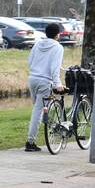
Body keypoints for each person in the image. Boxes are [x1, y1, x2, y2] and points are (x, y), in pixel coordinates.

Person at [25, 22, 65, 152]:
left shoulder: (38, 44)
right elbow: (55, 67)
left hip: (32, 79)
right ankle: (30, 142)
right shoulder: (58, 47)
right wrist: (58, 83)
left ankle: (32, 139)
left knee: (37, 109)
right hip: (45, 81)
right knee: (38, 112)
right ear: (57, 35)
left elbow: (30, 61)